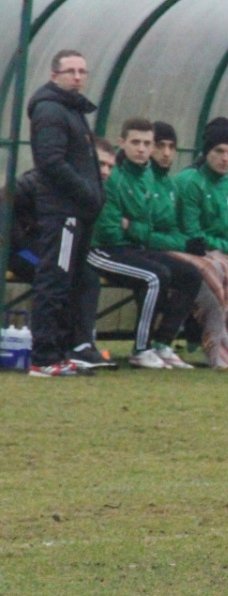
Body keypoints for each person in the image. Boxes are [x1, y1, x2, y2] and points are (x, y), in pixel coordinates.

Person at [88, 117, 203, 369]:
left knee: (191, 274)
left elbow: (147, 227)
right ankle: (141, 349)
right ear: (122, 143)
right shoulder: (112, 177)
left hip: (133, 247)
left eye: (146, 143)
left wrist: (131, 226)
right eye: (135, 142)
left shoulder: (150, 176)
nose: (141, 149)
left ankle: (163, 344)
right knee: (155, 276)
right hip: (102, 251)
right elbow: (108, 230)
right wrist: (131, 228)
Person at [25, 48, 104, 376]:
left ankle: (60, 351)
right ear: (54, 76)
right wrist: (88, 193)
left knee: (70, 281)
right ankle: (44, 357)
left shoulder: (72, 111)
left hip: (76, 212)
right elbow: (51, 161)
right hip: (63, 213)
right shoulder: (51, 111)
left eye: (82, 71)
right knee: (54, 281)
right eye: (70, 71)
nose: (77, 77)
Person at [177, 118, 228, 259]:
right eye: (219, 151)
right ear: (207, 152)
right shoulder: (191, 181)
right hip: (193, 248)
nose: (225, 158)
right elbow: (191, 232)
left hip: (218, 245)